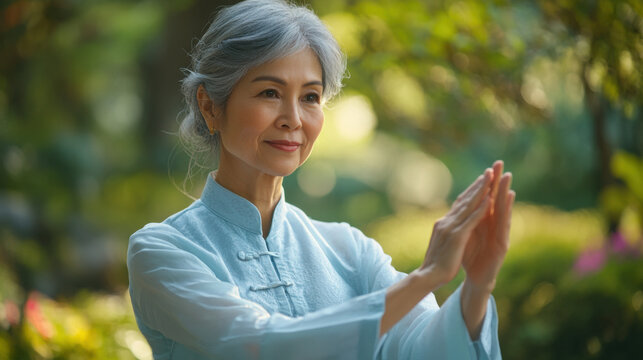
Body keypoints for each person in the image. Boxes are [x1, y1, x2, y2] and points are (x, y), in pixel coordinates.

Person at [127, 0, 515, 359]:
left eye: (310, 97)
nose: (293, 119)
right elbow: (264, 345)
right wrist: (427, 277)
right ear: (210, 106)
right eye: (269, 92)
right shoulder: (162, 252)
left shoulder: (352, 250)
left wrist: (476, 287)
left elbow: (419, 348)